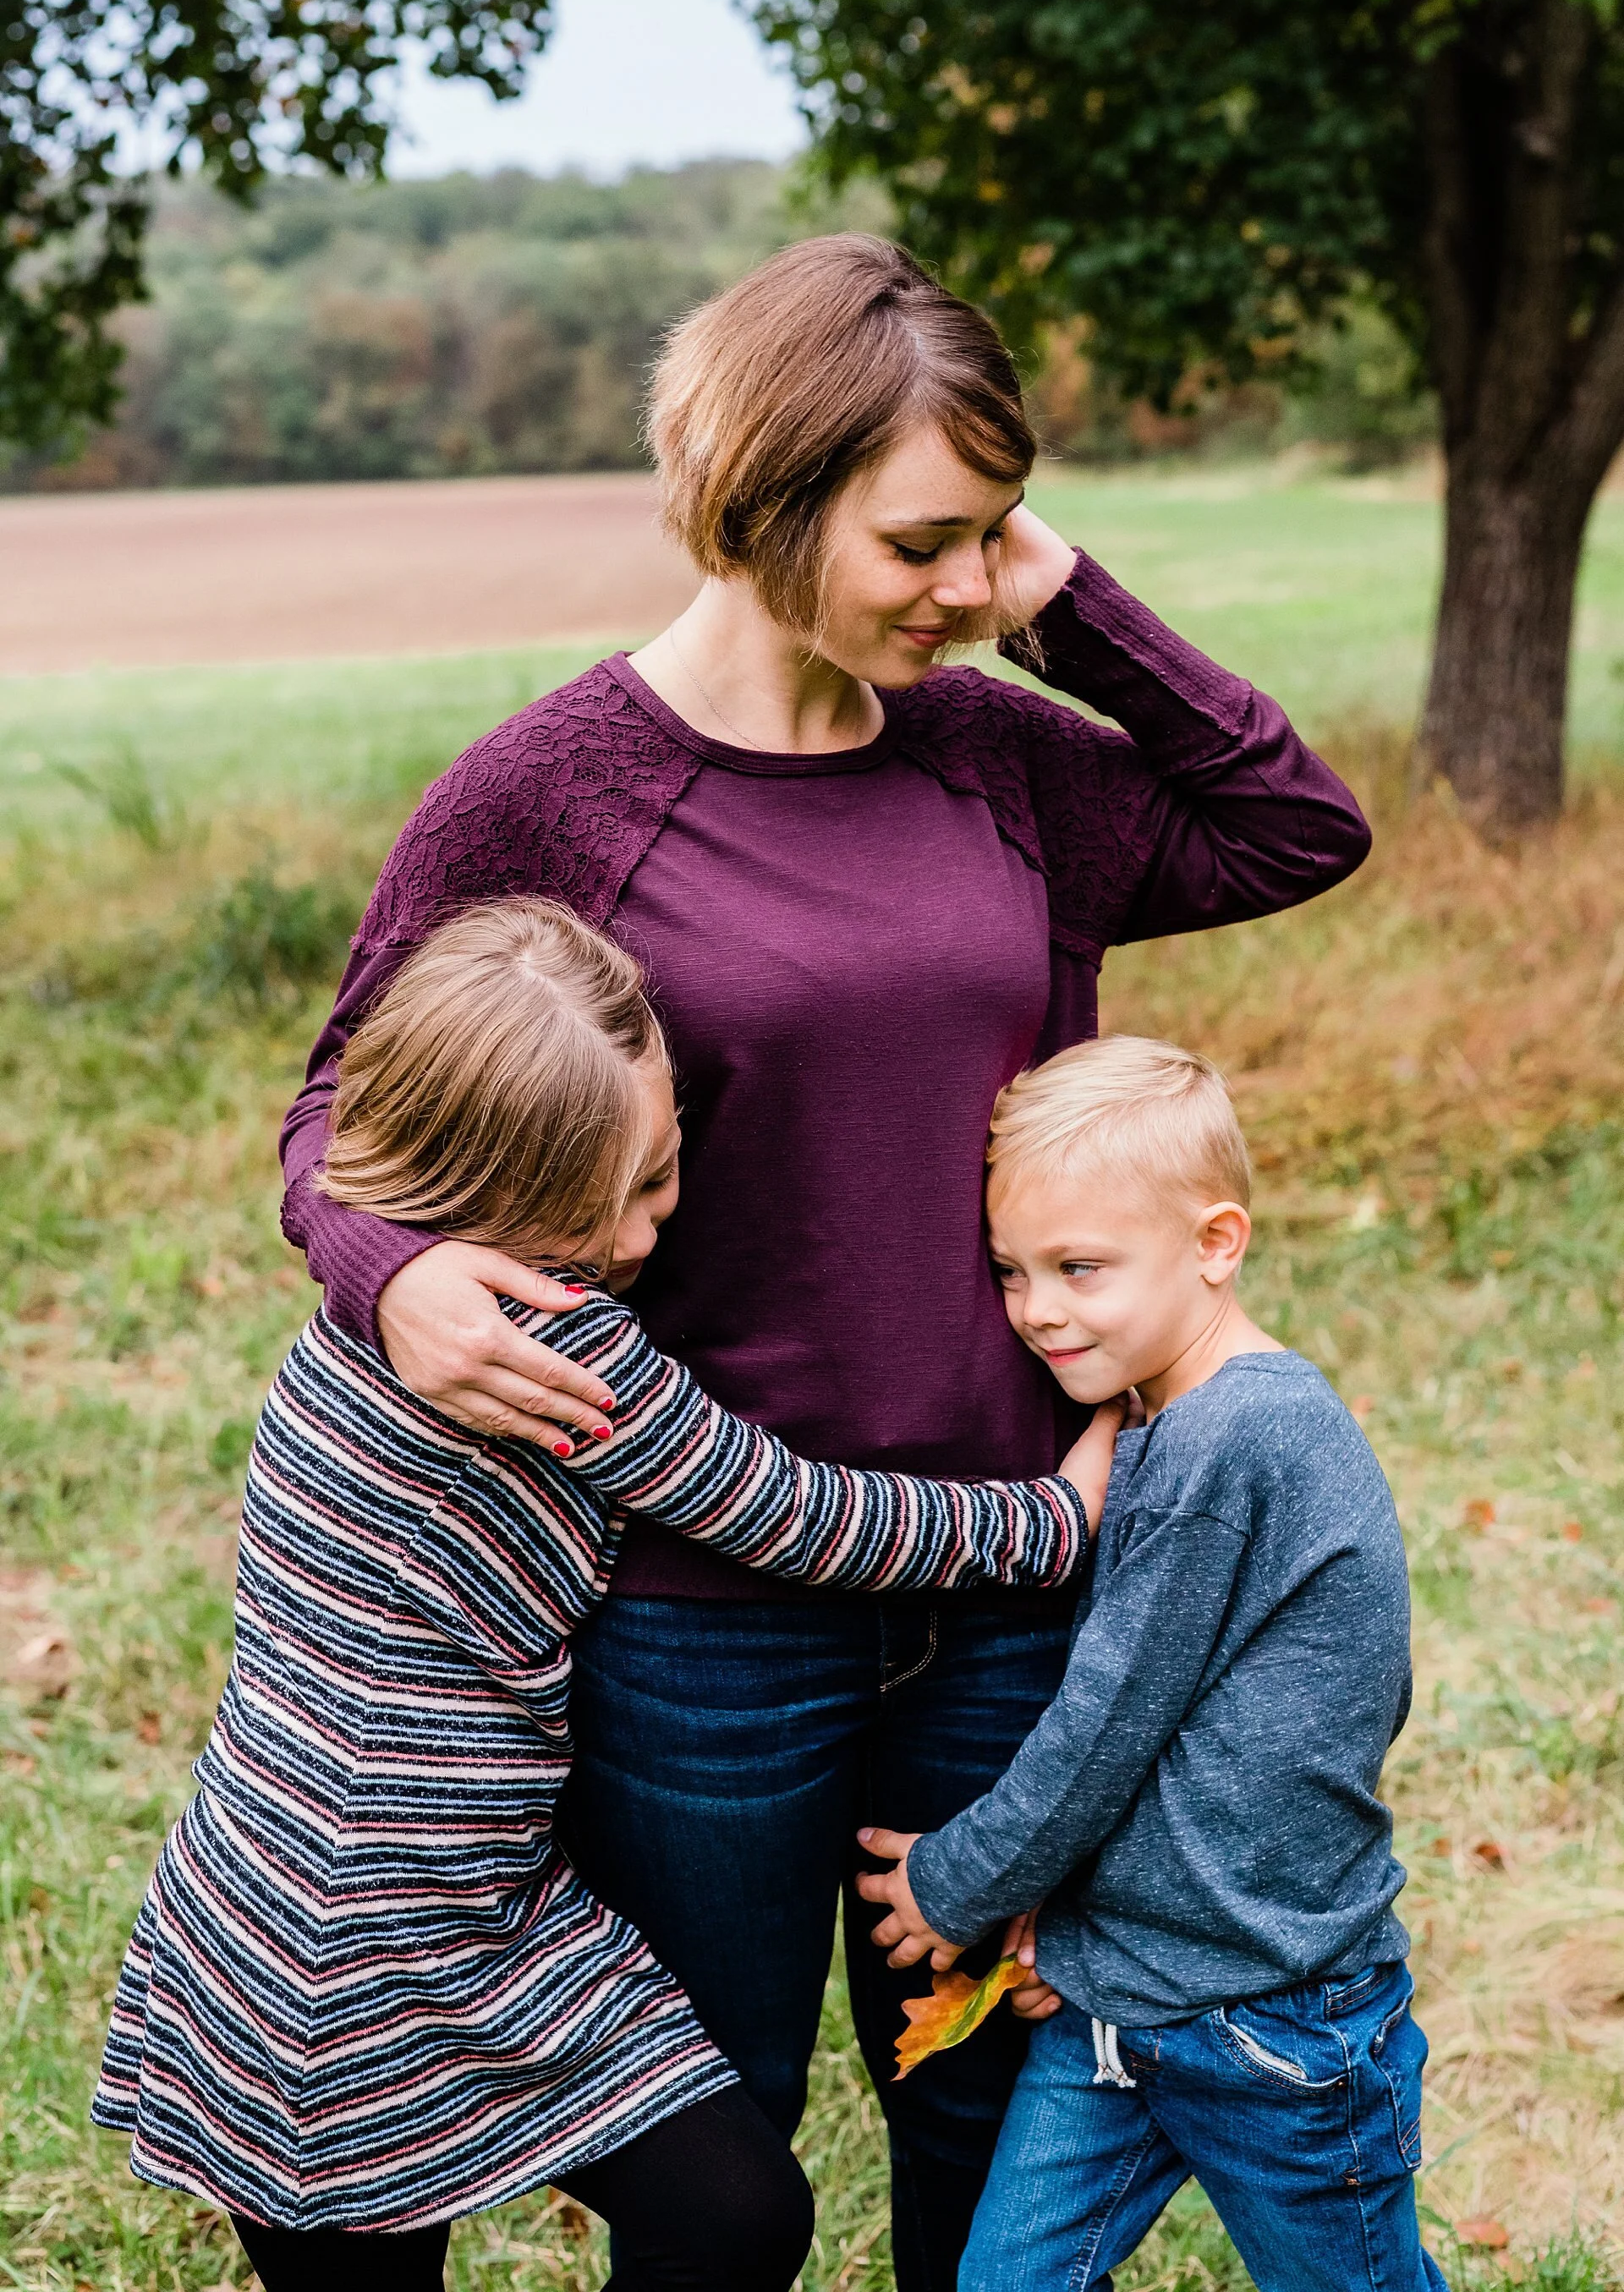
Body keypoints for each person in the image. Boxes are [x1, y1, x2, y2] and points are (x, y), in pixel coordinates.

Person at [277, 233, 1372, 2287]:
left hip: (1032, 1574)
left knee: (984, 2100)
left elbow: (1292, 825)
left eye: (997, 536)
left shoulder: (996, 753)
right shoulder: (548, 794)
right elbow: (338, 1119)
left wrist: (1067, 610)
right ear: (764, 501)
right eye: (925, 541)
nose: (970, 586)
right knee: (727, 2136)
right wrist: (391, 1275)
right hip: (705, 1615)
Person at [93, 899, 1111, 2292]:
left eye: (668, 1162)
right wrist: (1056, 1518)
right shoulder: (555, 1356)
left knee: (659, 2215)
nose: (665, 1217)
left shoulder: (374, 1307)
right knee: (732, 2216)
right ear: (508, 1196)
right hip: (390, 1911)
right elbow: (796, 1515)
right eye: (634, 1190)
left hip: (273, 1875)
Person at [857, 1036, 1445, 2292]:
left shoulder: (1235, 1443)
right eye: (1013, 1272)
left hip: (1273, 2027)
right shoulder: (1166, 1421)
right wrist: (1071, 1926)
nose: (1038, 1310)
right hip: (1120, 2021)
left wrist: (956, 1884)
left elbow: (1105, 1725)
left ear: (1216, 1243)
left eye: (1081, 1268)